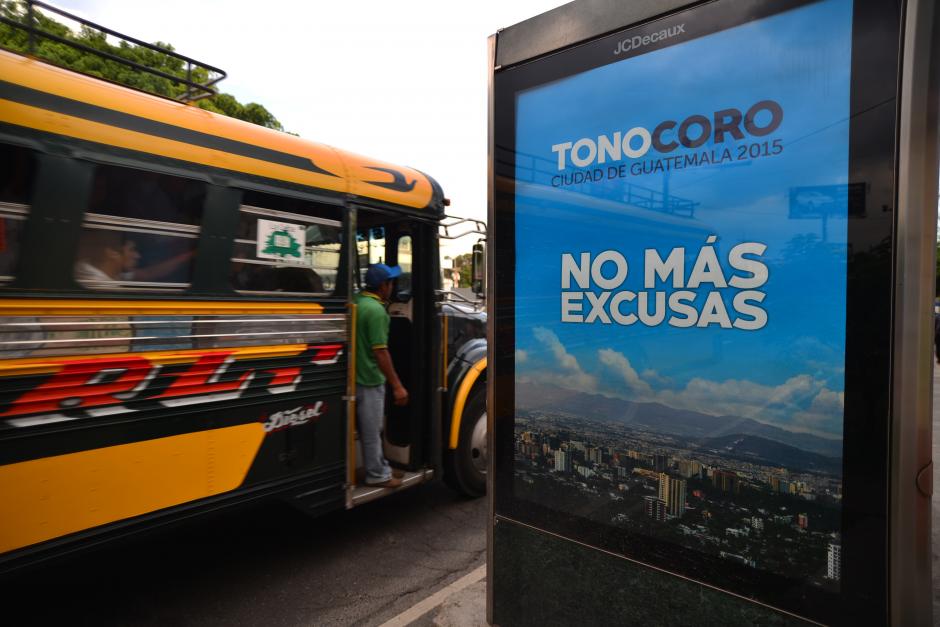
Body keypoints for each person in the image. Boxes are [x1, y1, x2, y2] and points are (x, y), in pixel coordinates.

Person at [356, 263, 409, 488]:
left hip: (354, 378)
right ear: (383, 286)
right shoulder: (377, 311)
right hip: (370, 379)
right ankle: (376, 474)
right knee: (372, 430)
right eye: (391, 282)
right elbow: (381, 351)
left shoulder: (357, 302)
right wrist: (397, 385)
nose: (393, 286)